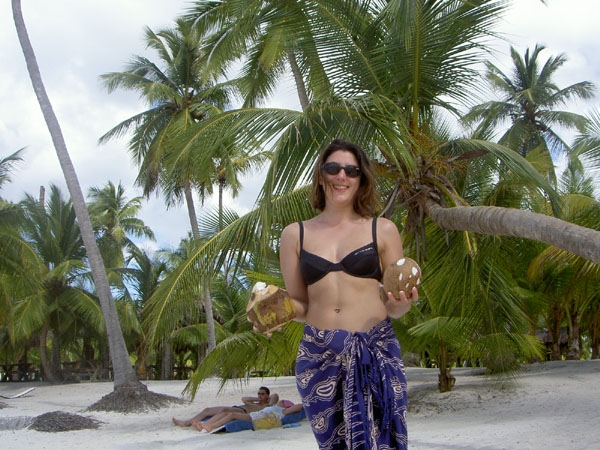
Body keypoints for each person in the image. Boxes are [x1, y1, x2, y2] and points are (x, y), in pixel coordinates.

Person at [278, 139, 419, 449]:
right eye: (333, 168)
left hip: (376, 349)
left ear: (361, 179)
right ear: (321, 175)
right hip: (319, 357)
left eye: (351, 171)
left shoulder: (382, 230)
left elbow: (394, 305)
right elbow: (300, 304)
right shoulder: (294, 234)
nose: (342, 176)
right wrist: (276, 311)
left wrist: (401, 304)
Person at [172, 386, 279, 427]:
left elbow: (275, 396)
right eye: (259, 393)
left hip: (242, 411)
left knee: (224, 410)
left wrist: (266, 400)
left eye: (262, 394)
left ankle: (205, 424)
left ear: (268, 396)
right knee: (207, 410)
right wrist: (258, 399)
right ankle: (185, 423)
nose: (260, 395)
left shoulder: (267, 406)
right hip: (237, 407)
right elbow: (244, 399)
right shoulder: (256, 402)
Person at [191, 399, 303, 432]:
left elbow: (299, 406)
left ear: (285, 405)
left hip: (256, 418)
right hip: (255, 415)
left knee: (231, 415)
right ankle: (205, 424)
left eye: (283, 401)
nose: (281, 401)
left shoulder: (283, 411)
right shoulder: (273, 407)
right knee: (227, 414)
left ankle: (210, 426)